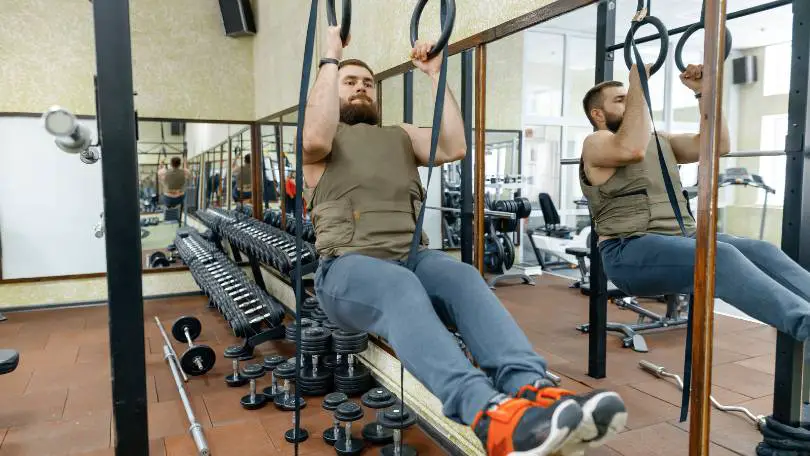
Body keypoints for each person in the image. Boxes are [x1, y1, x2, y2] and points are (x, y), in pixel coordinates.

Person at [301, 26, 627, 456]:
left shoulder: (400, 135)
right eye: (350, 82)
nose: (362, 88)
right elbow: (314, 136)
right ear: (331, 90)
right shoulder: (319, 144)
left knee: (463, 277)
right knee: (400, 287)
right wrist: (330, 55)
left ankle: (532, 390)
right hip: (344, 270)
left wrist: (436, 74)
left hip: (408, 259)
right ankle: (487, 414)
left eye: (368, 84)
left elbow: (454, 145)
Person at [580, 63, 810, 342]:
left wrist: (705, 93)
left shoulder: (660, 140)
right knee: (719, 255)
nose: (629, 102)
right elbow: (632, 149)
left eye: (629, 97)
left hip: (682, 239)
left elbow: (718, 145)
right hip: (628, 249)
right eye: (620, 99)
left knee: (760, 250)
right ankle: (806, 326)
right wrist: (638, 84)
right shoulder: (596, 142)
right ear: (598, 114)